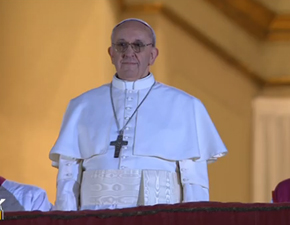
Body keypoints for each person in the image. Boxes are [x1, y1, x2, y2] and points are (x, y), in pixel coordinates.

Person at [49, 18, 228, 211]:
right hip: (94, 217)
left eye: (138, 46)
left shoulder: (186, 106)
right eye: (121, 45)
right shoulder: (82, 106)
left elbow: (194, 183)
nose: (129, 53)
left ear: (152, 55)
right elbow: (68, 179)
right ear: (111, 53)